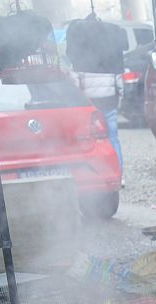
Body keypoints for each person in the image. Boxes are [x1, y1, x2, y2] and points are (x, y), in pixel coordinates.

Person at [65, 14, 128, 181]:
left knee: (89, 141)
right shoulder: (113, 62)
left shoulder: (78, 61)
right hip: (110, 102)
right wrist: (118, 101)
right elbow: (120, 87)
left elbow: (75, 85)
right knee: (113, 138)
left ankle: (94, 174)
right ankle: (118, 175)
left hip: (90, 106)